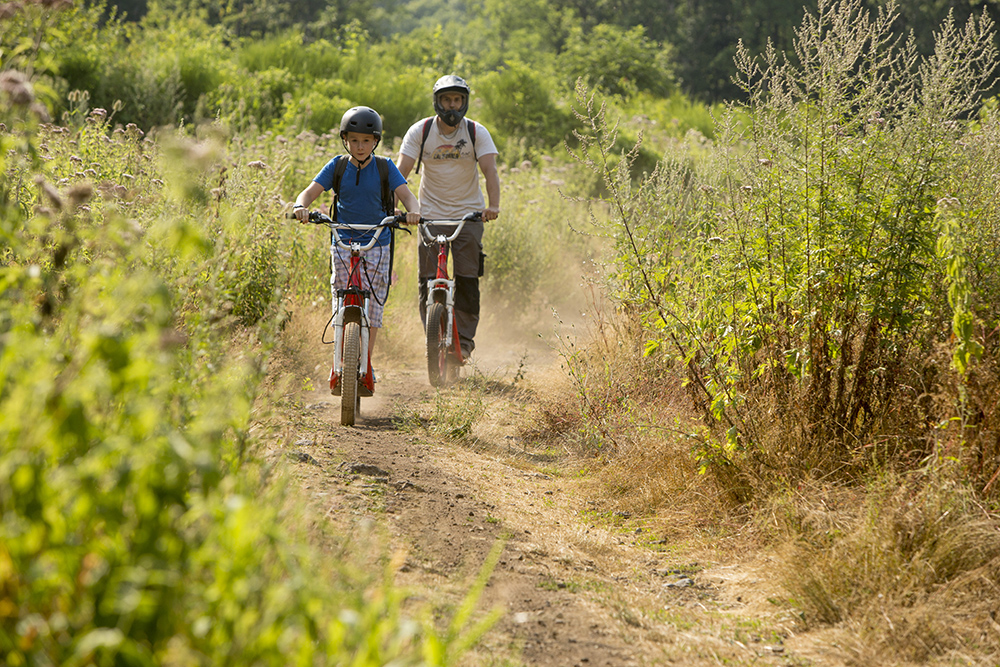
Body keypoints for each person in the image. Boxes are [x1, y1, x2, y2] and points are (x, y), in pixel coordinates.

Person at [292, 105, 420, 391]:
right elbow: (309, 192)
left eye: (365, 140)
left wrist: (413, 212)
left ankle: (367, 364)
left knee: (373, 307)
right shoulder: (337, 166)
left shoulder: (386, 167)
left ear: (375, 141)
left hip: (377, 241)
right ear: (344, 140)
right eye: (353, 140)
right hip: (342, 240)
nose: (359, 146)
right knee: (340, 299)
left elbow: (409, 198)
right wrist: (301, 206)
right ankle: (339, 361)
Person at [396, 74, 500, 361]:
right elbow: (400, 173)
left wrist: (493, 206)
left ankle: (464, 342)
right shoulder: (421, 131)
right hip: (428, 215)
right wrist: (395, 209)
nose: (452, 106)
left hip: (468, 216)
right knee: (427, 280)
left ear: (464, 102)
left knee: (467, 279)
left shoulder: (477, 132)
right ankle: (434, 337)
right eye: (446, 100)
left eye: (457, 100)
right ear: (437, 102)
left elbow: (490, 170)